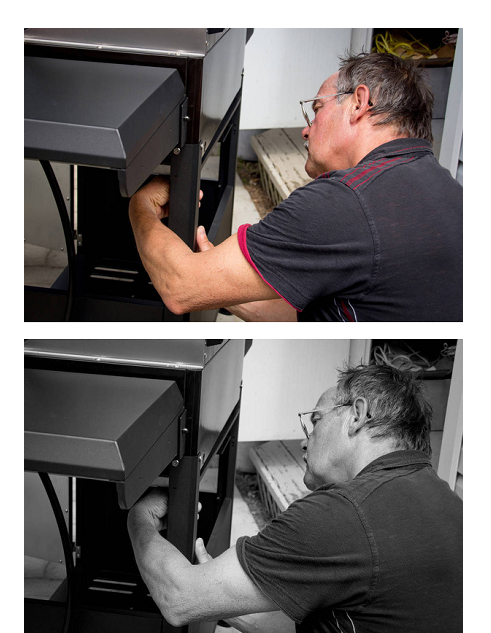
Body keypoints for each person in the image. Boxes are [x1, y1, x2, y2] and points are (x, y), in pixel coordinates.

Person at [127, 364, 463, 632]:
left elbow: (179, 597)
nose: (305, 441)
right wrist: (225, 596)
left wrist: (138, 518)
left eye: (315, 420)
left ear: (357, 415)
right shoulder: (449, 504)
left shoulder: (342, 514)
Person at [129, 52, 463, 322]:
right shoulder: (450, 192)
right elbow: (318, 319)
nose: (306, 130)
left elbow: (180, 286)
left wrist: (139, 206)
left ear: (359, 103)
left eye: (316, 109)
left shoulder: (345, 202)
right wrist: (226, 284)